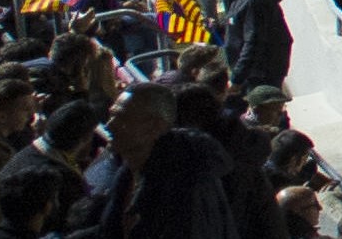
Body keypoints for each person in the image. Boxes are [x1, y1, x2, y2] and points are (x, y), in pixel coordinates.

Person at [70, 83, 234, 239]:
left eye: (122, 118)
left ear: (155, 127)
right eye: (111, 115)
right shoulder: (129, 171)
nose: (109, 126)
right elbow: (111, 231)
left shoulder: (187, 186)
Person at [220, 0, 291, 92]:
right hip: (251, 73)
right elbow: (239, 27)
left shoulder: (255, 0)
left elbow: (253, 42)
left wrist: (237, 78)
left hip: (259, 75)